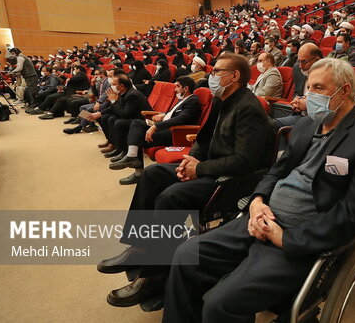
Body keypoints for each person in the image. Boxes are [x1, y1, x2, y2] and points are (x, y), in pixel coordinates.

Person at [161, 58, 355, 323]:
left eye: (319, 88)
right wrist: (257, 201)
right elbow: (276, 171)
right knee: (186, 254)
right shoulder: (305, 125)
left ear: (345, 91)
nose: (310, 96)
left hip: (297, 237)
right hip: (260, 218)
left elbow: (354, 212)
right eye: (307, 89)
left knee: (219, 304)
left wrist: (286, 239)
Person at [98, 53, 274, 307]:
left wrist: (200, 168)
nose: (212, 77)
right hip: (208, 168)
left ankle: (155, 275)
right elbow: (203, 139)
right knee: (152, 174)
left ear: (235, 76)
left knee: (170, 197)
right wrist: (189, 161)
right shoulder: (219, 99)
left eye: (217, 72)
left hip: (231, 180)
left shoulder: (249, 108)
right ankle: (138, 248)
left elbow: (244, 162)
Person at [110, 76, 201, 183]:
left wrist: (156, 126)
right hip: (166, 127)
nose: (175, 89)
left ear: (186, 89)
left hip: (175, 133)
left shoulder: (193, 100)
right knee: (136, 123)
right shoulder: (182, 99)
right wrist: (163, 115)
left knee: (136, 136)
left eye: (177, 86)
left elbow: (182, 118)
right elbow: (174, 114)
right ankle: (132, 155)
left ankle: (135, 165)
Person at [91, 74, 152, 156]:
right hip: (131, 116)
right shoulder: (122, 92)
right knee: (105, 117)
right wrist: (99, 113)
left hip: (141, 119)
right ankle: (114, 144)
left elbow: (124, 114)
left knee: (118, 122)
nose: (111, 86)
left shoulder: (132, 95)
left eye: (114, 84)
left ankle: (123, 150)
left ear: (122, 86)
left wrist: (113, 101)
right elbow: (114, 108)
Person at [273, 43, 324, 128]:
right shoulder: (297, 70)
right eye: (298, 61)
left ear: (317, 60)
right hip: (300, 115)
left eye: (304, 61)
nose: (301, 66)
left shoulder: (329, 74)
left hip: (319, 120)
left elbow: (330, 102)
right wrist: (296, 102)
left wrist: (308, 104)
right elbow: (297, 92)